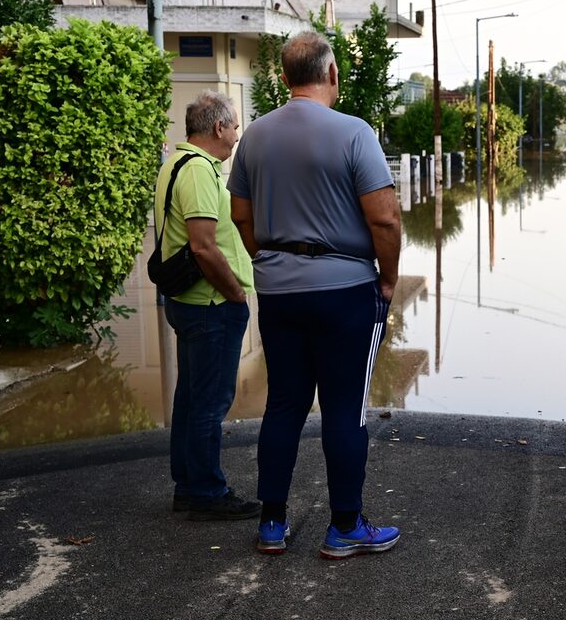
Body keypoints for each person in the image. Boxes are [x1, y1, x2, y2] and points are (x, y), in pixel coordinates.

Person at [228, 31, 403, 558]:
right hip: (345, 289)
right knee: (344, 409)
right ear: (332, 75)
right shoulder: (354, 133)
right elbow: (385, 217)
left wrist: (273, 259)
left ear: (284, 78)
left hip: (279, 293)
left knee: (284, 404)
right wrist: (389, 279)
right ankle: (345, 525)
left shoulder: (254, 136)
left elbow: (240, 215)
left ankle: (272, 524)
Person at [155, 90, 259, 521]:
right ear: (218, 127)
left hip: (191, 303)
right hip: (210, 304)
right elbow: (202, 246)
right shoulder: (199, 170)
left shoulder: (176, 164)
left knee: (192, 397)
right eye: (235, 125)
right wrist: (235, 292)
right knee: (210, 403)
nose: (237, 134)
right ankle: (206, 492)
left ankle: (189, 484)